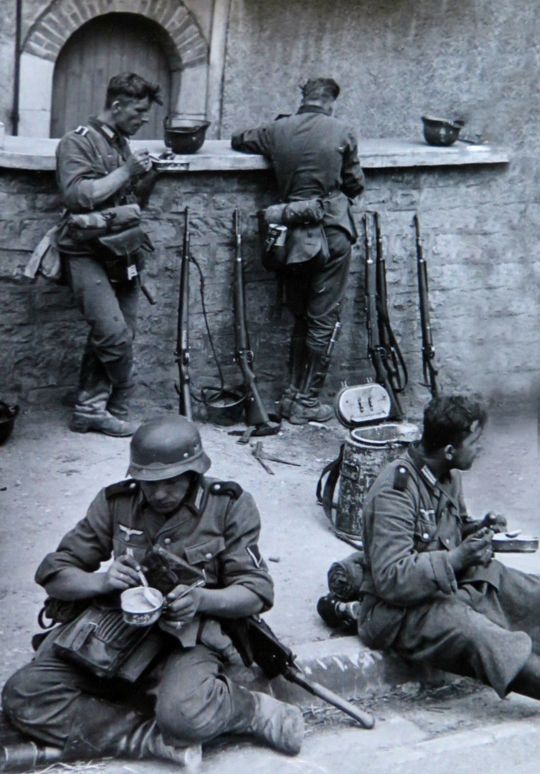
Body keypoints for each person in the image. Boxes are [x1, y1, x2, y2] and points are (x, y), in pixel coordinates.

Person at [1, 416, 304, 767]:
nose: (159, 494)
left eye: (171, 482)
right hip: (116, 633)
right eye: (149, 483)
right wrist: (102, 581)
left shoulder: (228, 505)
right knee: (25, 694)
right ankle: (149, 738)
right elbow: (55, 573)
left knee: (185, 715)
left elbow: (256, 591)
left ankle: (251, 710)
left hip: (189, 637)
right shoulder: (117, 502)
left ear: (193, 473)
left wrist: (202, 600)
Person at [358, 393, 540, 703]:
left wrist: (479, 528)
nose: (481, 448)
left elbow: (450, 531)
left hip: (445, 586)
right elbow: (390, 578)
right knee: (484, 637)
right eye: (475, 442)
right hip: (399, 611)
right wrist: (457, 558)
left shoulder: (447, 475)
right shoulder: (395, 491)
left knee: (527, 592)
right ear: (450, 451)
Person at [231, 77, 365, 425]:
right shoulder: (343, 131)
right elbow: (355, 184)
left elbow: (238, 139)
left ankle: (291, 395)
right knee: (323, 318)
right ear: (331, 101)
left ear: (304, 97)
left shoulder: (277, 130)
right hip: (330, 234)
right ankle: (305, 401)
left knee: (301, 316)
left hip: (291, 238)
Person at [55, 73, 162, 437]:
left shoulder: (120, 143)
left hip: (121, 250)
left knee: (120, 331)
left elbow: (131, 199)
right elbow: (77, 196)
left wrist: (149, 174)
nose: (143, 119)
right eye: (138, 111)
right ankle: (116, 397)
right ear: (116, 106)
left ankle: (91, 409)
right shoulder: (77, 141)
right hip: (85, 250)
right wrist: (127, 170)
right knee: (112, 334)